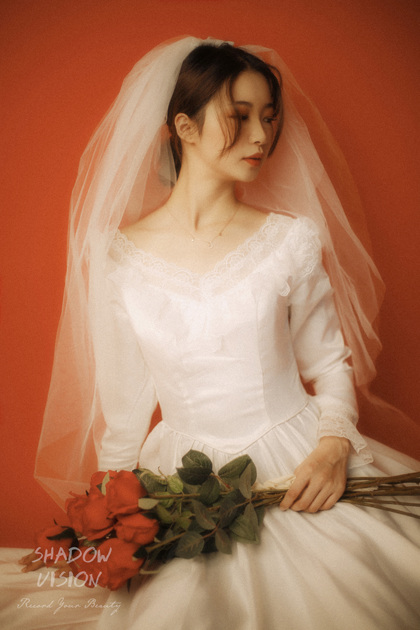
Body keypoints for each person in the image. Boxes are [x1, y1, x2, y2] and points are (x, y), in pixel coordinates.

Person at [29, 37, 419, 629]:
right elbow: (124, 410)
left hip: (300, 463)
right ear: (184, 127)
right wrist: (111, 517)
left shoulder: (290, 241)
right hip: (181, 484)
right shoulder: (120, 260)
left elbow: (329, 365)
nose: (261, 135)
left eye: (269, 117)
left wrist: (334, 446)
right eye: (240, 116)